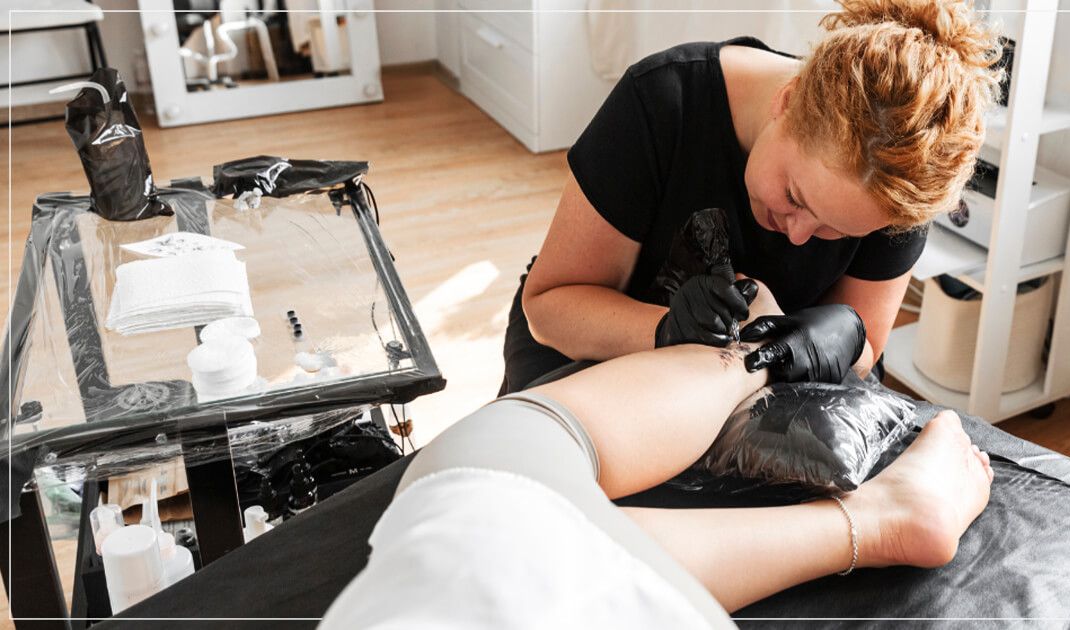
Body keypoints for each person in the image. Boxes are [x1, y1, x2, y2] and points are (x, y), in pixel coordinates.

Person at [322, 280, 994, 628]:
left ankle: (767, 360)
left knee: (537, 510)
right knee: (508, 467)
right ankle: (760, 358)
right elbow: (548, 307)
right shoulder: (665, 98)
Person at [502, 0, 1001, 393]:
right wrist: (667, 331)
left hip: (749, 391)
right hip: (591, 353)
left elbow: (865, 343)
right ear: (786, 102)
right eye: (795, 195)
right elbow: (549, 307)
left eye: (838, 231)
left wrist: (836, 340)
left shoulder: (901, 184)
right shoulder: (662, 102)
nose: (802, 235)